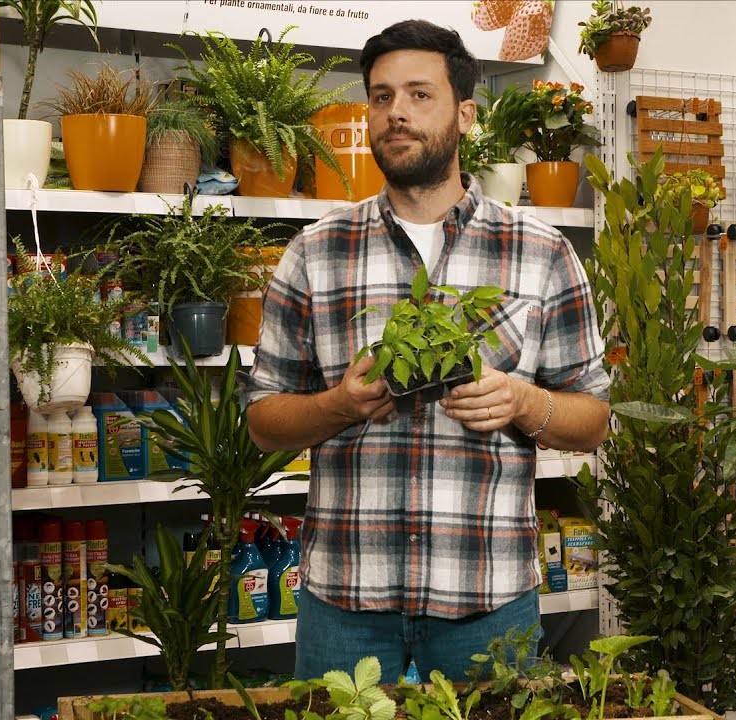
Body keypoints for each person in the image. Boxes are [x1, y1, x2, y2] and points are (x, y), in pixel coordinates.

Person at [243, 19, 611, 684]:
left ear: (465, 114)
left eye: (419, 94)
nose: (397, 114)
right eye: (381, 97)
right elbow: (263, 422)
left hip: (488, 597)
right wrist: (338, 406)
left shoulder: (542, 251)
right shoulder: (315, 251)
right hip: (346, 597)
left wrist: (523, 401)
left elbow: (593, 421)